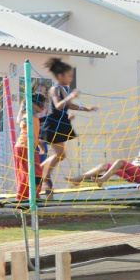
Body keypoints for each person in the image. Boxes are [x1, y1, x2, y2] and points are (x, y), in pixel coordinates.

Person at [39, 57, 100, 196]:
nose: (71, 79)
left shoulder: (64, 88)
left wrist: (86, 108)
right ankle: (44, 177)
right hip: (53, 124)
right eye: (69, 76)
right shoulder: (55, 89)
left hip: (61, 123)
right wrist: (70, 95)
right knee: (61, 155)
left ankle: (40, 171)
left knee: (61, 155)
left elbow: (68, 105)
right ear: (60, 76)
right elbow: (58, 105)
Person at [66, 120, 140, 187]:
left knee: (120, 162)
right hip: (131, 173)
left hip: (139, 175)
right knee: (105, 165)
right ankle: (79, 179)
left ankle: (102, 179)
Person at [13, 92, 46, 201]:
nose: (43, 106)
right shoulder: (28, 115)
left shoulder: (35, 118)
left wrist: (40, 145)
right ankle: (22, 197)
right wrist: (24, 120)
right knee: (25, 173)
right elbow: (23, 122)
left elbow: (34, 133)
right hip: (23, 147)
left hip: (31, 148)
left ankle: (35, 194)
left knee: (37, 171)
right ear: (33, 104)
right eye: (41, 104)